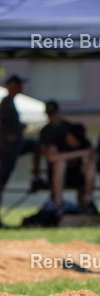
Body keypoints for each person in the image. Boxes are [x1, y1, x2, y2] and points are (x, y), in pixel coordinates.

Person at [40, 100, 98, 214]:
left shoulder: (71, 130)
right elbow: (51, 157)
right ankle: (58, 204)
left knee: (90, 165)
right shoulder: (53, 136)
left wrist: (87, 158)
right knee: (60, 164)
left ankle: (88, 202)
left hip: (76, 174)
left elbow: (93, 155)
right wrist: (79, 153)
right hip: (58, 174)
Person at [1, 75, 41, 209]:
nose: (21, 88)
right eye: (19, 85)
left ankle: (36, 176)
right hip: (8, 148)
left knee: (36, 145)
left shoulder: (10, 102)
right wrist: (7, 135)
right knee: (1, 182)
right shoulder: (6, 102)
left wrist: (19, 128)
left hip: (14, 146)